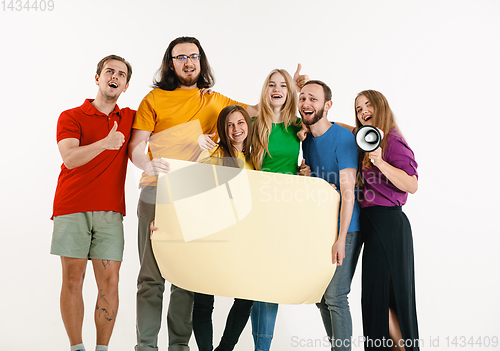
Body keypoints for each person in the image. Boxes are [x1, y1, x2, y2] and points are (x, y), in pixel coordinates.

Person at [128, 36, 260, 351]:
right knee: (151, 278)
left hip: (195, 198)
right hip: (156, 192)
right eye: (181, 57)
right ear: (170, 63)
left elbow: (257, 111)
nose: (189, 62)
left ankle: (179, 346)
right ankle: (146, 346)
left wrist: (292, 92)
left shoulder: (213, 100)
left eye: (194, 56)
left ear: (201, 61)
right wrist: (148, 163)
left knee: (185, 278)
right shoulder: (154, 100)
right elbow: (135, 148)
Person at [50, 55, 134, 351]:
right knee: (73, 279)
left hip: (111, 212)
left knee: (110, 281)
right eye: (109, 71)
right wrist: (105, 144)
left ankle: (102, 349)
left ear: (125, 86)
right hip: (72, 207)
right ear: (97, 77)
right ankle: (77, 348)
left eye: (121, 74)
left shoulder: (130, 118)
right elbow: (70, 159)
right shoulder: (71, 116)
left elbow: (168, 117)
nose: (115, 76)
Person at [354, 90, 419, 350]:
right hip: (372, 226)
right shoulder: (366, 139)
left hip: (388, 226)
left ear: (380, 106)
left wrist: (380, 162)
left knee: (383, 301)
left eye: (367, 105)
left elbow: (411, 185)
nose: (362, 111)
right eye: (358, 109)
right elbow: (342, 128)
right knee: (377, 299)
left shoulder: (391, 140)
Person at [299, 80, 362, 351]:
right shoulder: (307, 141)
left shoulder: (344, 139)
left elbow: (348, 193)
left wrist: (340, 239)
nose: (306, 104)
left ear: (328, 105)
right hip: (321, 227)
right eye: (302, 98)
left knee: (336, 296)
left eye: (313, 99)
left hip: (346, 228)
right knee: (321, 297)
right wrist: (309, 176)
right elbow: (323, 185)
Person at [249, 68, 309, 351]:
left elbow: (326, 124)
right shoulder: (252, 121)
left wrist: (302, 171)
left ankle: (263, 347)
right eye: (271, 84)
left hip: (286, 206)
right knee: (258, 278)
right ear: (265, 90)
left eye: (282, 85)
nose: (276, 89)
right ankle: (260, 346)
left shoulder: (296, 125)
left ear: (289, 92)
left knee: (272, 278)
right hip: (258, 206)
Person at [192, 105, 254, 351]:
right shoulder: (212, 155)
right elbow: (190, 191)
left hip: (243, 239)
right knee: (204, 301)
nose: (235, 129)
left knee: (246, 297)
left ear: (248, 125)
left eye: (240, 123)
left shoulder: (254, 159)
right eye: (229, 125)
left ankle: (225, 349)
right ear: (222, 129)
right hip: (212, 236)